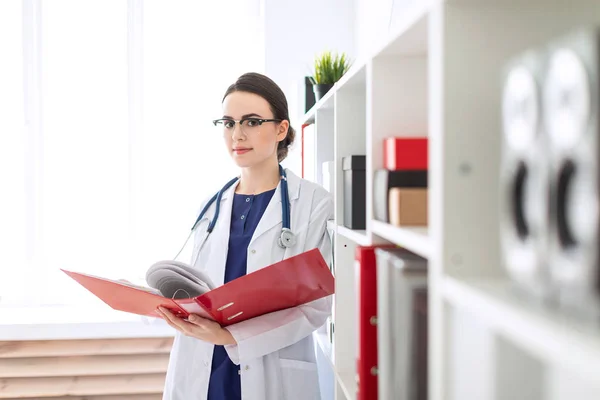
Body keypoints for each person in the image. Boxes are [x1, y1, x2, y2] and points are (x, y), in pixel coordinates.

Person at [155, 72, 334, 400]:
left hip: (268, 368)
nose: (237, 134)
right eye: (228, 122)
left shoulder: (312, 203)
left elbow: (315, 307)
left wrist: (230, 337)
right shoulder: (212, 206)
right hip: (203, 367)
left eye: (251, 122)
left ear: (281, 129)